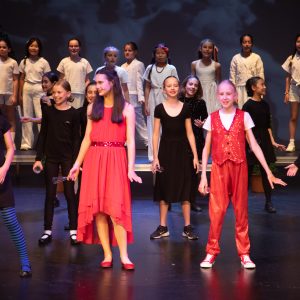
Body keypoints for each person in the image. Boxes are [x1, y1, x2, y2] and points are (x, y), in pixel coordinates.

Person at [199, 80, 286, 269]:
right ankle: (211, 252)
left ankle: (244, 253)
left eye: (228, 94)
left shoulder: (244, 116)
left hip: (239, 168)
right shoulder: (211, 118)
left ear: (236, 96)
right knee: (216, 212)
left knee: (241, 212)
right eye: (221, 94)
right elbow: (206, 149)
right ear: (217, 96)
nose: (225, 97)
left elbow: (254, 145)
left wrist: (268, 172)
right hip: (219, 169)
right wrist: (203, 176)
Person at [68, 67, 142, 270]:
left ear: (112, 83)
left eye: (101, 83)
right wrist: (77, 164)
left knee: (115, 209)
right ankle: (107, 254)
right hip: (95, 159)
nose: (96, 87)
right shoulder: (92, 108)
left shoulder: (126, 109)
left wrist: (131, 168)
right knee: (99, 210)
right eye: (96, 83)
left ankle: (124, 256)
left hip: (116, 158)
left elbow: (131, 142)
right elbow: (86, 139)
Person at [150, 76, 200, 240]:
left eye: (175, 85)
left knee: (185, 189)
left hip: (183, 153)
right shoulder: (159, 108)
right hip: (165, 153)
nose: (172, 88)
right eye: (168, 86)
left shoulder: (185, 108)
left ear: (179, 88)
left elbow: (190, 133)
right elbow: (156, 134)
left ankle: (187, 227)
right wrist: (155, 157)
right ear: (164, 89)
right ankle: (163, 227)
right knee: (164, 189)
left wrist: (195, 156)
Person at [33, 79, 80, 246]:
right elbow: (43, 135)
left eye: (60, 92)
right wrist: (38, 158)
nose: (56, 95)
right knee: (51, 193)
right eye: (54, 92)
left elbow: (76, 140)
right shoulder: (49, 112)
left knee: (69, 193)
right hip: (51, 159)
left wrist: (76, 163)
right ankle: (47, 230)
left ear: (68, 94)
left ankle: (74, 231)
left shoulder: (74, 114)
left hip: (68, 160)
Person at [243, 77, 286, 213]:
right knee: (247, 174)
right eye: (262, 85)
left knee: (266, 172)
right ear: (254, 88)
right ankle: (242, 203)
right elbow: (244, 128)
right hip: (252, 140)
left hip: (264, 140)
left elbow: (267, 126)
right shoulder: (248, 106)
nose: (265, 87)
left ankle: (268, 202)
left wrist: (272, 142)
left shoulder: (265, 105)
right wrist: (250, 144)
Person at [0, 109, 32, 277]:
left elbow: (10, 148)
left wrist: (4, 169)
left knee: (11, 220)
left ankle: (25, 262)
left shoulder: (1, 120)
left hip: (0, 177)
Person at [143, 43, 178, 161]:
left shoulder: (171, 68)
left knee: (167, 124)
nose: (160, 55)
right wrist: (146, 103)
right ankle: (153, 155)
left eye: (163, 53)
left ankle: (167, 153)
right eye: (158, 53)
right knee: (153, 126)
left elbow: (175, 85)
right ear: (154, 54)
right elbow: (147, 86)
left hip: (166, 97)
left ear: (167, 54)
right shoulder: (150, 68)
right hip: (153, 97)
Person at [178, 75, 208, 212]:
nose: (193, 87)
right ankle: (178, 199)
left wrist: (203, 124)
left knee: (193, 171)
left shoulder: (200, 103)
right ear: (185, 85)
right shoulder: (178, 101)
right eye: (191, 84)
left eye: (196, 85)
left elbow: (206, 120)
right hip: (180, 138)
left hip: (195, 138)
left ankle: (192, 200)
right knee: (180, 171)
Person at [19, 37, 51, 150]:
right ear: (28, 47)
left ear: (39, 48)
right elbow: (21, 78)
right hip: (27, 87)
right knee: (26, 115)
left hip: (40, 88)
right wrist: (20, 94)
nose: (34, 48)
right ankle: (26, 143)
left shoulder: (44, 62)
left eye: (36, 46)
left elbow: (48, 78)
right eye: (31, 45)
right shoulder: (24, 61)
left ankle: (43, 143)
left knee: (41, 116)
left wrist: (47, 93)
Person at [121, 41, 148, 148]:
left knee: (138, 121)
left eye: (130, 50)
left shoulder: (139, 64)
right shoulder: (122, 66)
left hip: (134, 96)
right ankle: (126, 141)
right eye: (125, 50)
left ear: (135, 52)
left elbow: (139, 81)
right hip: (123, 96)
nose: (127, 52)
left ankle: (148, 142)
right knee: (124, 120)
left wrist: (141, 97)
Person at [229, 34, 264, 109]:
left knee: (253, 115)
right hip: (239, 91)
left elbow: (260, 76)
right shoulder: (235, 58)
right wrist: (233, 95)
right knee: (240, 114)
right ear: (241, 44)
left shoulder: (256, 58)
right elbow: (232, 79)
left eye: (249, 42)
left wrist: (260, 92)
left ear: (252, 44)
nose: (247, 44)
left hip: (253, 91)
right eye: (244, 42)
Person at [57, 37, 93, 109]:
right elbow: (61, 79)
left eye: (76, 46)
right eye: (71, 46)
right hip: (66, 94)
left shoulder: (85, 62)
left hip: (80, 94)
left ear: (79, 48)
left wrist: (84, 89)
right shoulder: (64, 61)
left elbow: (87, 80)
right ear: (68, 48)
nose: (73, 48)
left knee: (78, 113)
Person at [191, 38, 221, 114]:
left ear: (213, 50)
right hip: (199, 92)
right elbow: (192, 80)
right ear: (200, 49)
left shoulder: (216, 65)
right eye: (205, 47)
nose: (207, 49)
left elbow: (219, 83)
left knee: (212, 113)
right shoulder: (194, 64)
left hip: (212, 93)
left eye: (210, 48)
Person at [282, 33, 300, 152]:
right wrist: (286, 92)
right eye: (298, 41)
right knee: (293, 117)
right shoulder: (291, 58)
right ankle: (292, 142)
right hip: (294, 89)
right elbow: (288, 76)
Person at [0, 37, 19, 147]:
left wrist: (14, 95)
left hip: (9, 93)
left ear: (9, 49)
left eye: (4, 47)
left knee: (10, 118)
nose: (2, 49)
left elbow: (16, 80)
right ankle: (2, 142)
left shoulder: (13, 62)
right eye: (0, 47)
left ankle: (11, 143)